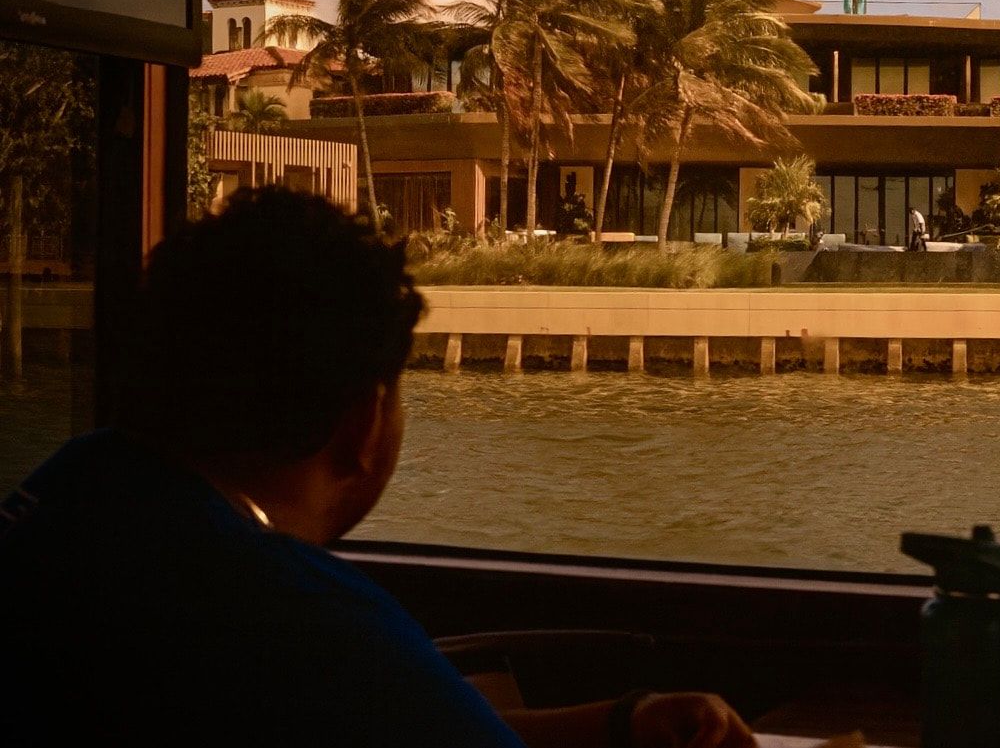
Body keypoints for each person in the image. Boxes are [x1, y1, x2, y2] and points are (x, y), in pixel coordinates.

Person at [0, 188, 755, 747]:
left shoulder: (77, 485)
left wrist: (621, 721)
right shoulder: (301, 618)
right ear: (364, 422)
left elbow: (409, 719)